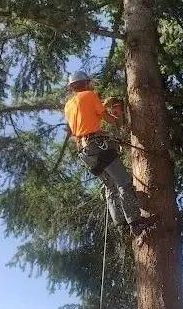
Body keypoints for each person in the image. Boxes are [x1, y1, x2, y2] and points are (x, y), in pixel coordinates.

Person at [64, 71, 154, 236]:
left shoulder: (68, 106)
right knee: (124, 183)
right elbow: (109, 118)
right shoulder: (89, 95)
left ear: (72, 87)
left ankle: (120, 224)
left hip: (84, 152)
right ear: (86, 83)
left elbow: (80, 127)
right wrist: (119, 117)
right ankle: (135, 223)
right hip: (97, 146)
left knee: (110, 187)